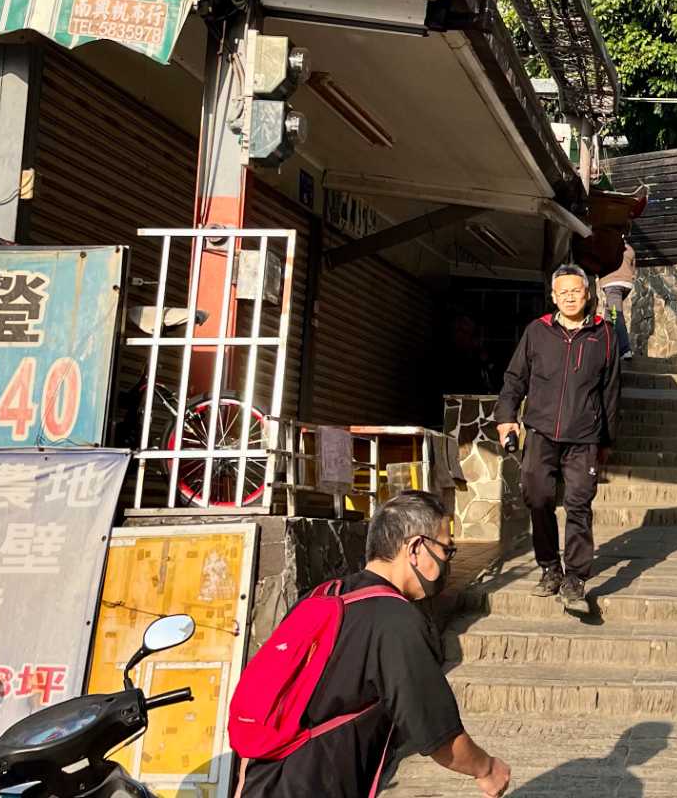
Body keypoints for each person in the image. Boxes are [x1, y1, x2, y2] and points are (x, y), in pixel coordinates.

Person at [238, 491, 513, 798]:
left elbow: (268, 699)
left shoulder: (323, 595)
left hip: (262, 780)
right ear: (416, 548)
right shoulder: (396, 620)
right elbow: (438, 733)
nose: (448, 562)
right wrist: (486, 769)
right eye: (447, 551)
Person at [497, 264, 622, 616]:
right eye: (562, 291)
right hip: (540, 433)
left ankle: (576, 580)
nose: (569, 296)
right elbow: (514, 379)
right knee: (537, 499)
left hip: (584, 438)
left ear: (587, 294)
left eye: (575, 290)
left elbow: (611, 392)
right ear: (553, 297)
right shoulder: (537, 332)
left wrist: (607, 441)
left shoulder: (605, 334)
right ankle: (550, 567)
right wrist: (506, 418)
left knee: (580, 505)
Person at [600, 241, 637, 360]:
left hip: (613, 284)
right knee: (609, 316)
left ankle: (624, 350)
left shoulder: (608, 245)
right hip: (626, 284)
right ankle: (606, 347)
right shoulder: (630, 248)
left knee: (616, 316)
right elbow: (633, 268)